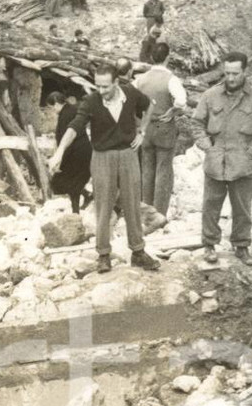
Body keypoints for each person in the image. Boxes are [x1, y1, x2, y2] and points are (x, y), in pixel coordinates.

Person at [49, 61, 158, 274]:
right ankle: (103, 255)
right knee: (103, 205)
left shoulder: (131, 93)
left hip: (128, 154)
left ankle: (138, 252)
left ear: (116, 82)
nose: (101, 91)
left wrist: (142, 131)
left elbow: (150, 105)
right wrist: (59, 152)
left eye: (105, 86)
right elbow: (74, 127)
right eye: (98, 86)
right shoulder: (91, 102)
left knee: (132, 203)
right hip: (102, 157)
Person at [191, 51, 252, 265]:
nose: (230, 78)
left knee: (242, 207)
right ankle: (209, 245)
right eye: (227, 73)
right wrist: (208, 147)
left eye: (235, 73)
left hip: (243, 163)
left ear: (245, 71)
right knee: (211, 206)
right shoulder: (211, 95)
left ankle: (242, 246)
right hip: (215, 162)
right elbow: (196, 124)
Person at [137, 41, 187, 217]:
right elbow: (181, 100)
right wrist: (173, 110)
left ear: (151, 57)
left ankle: (146, 211)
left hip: (146, 127)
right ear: (168, 57)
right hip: (164, 126)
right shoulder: (171, 79)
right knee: (163, 170)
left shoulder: (141, 79)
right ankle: (159, 213)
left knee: (147, 168)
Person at [51, 90, 93, 214]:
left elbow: (66, 136)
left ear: (57, 103)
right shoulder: (71, 109)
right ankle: (86, 196)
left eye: (52, 106)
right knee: (74, 182)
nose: (53, 110)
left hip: (76, 153)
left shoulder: (65, 115)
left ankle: (76, 211)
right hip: (82, 151)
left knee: (65, 182)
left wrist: (60, 158)